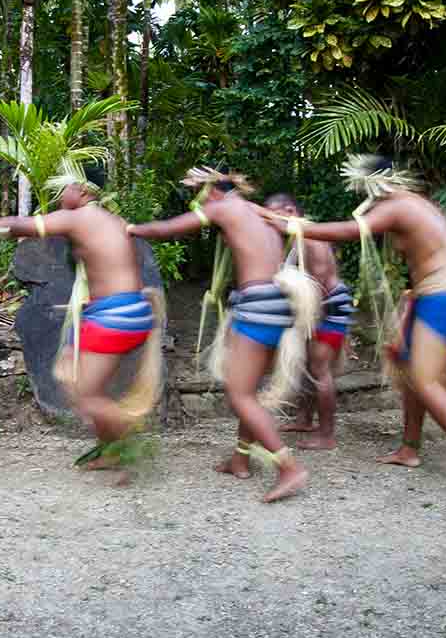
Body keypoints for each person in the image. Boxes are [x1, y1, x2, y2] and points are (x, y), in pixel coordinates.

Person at [272, 156, 446, 496]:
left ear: (371, 185)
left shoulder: (398, 205)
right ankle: (410, 449)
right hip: (433, 296)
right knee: (410, 374)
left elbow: (351, 231)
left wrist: (294, 226)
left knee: (424, 381)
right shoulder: (412, 204)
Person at [0, 164, 165, 474]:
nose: (62, 194)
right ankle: (112, 449)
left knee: (84, 394)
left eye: (68, 188)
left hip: (114, 315)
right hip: (131, 312)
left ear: (84, 192)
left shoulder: (79, 218)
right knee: (76, 381)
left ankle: (130, 442)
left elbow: (16, 227)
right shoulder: (113, 220)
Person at [129, 167, 317, 503]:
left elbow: (167, 229)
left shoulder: (222, 206)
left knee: (240, 396)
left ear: (211, 189)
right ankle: (241, 459)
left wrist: (130, 228)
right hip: (277, 304)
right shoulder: (252, 209)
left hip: (258, 305)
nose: (197, 200)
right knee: (251, 391)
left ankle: (289, 467)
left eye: (198, 193)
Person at [264, 193, 354, 451]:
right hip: (317, 308)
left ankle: (327, 434)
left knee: (320, 370)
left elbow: (323, 281)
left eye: (273, 215)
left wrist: (310, 313)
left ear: (290, 210)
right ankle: (304, 419)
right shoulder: (298, 236)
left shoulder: (311, 235)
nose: (271, 222)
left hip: (328, 307)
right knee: (306, 366)